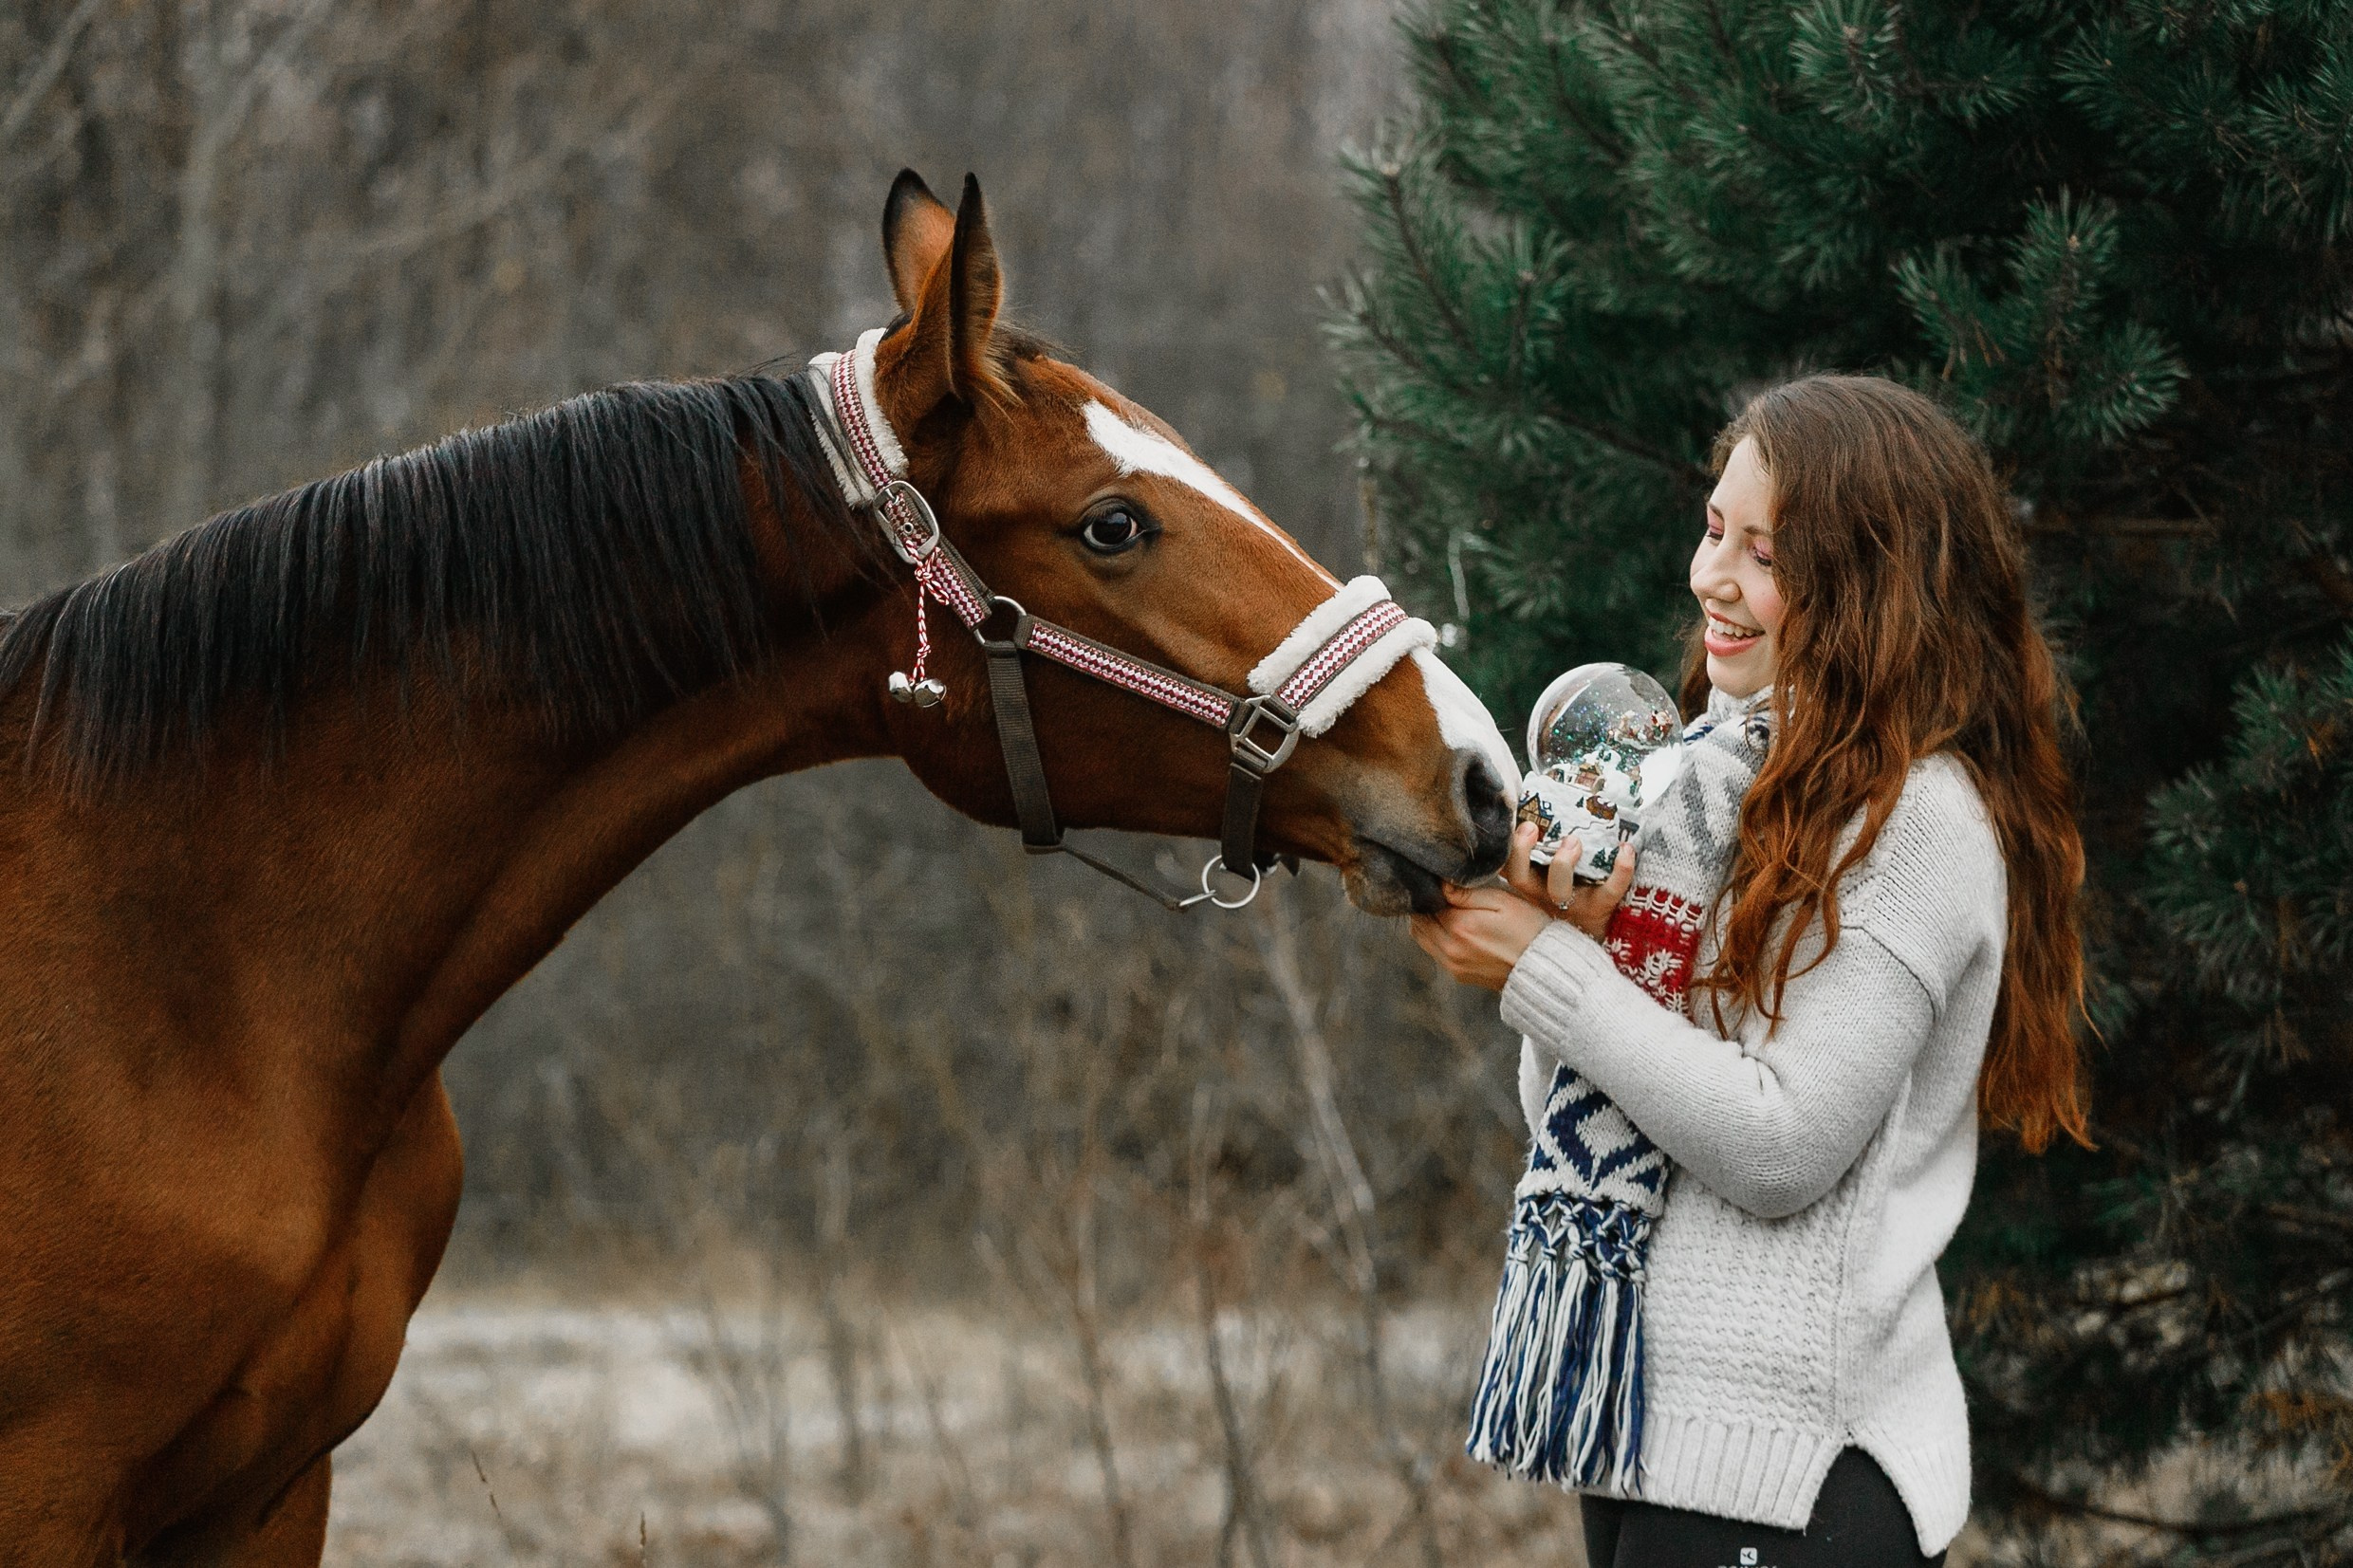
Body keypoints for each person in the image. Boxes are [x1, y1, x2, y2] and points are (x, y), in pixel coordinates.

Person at [1413, 375, 2087, 1568]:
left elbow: (1780, 1149)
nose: (1709, 577)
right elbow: (1565, 1112)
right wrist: (1576, 939)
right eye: (1713, 528)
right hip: (1648, 1425)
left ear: (1869, 587)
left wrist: (1552, 969)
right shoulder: (1713, 786)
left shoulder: (1916, 822)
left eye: (1762, 552)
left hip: (1796, 1464)